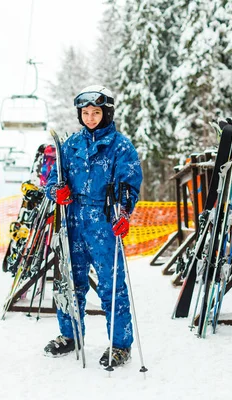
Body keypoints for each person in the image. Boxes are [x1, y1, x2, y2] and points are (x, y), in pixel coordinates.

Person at [43, 85, 143, 368]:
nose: (89, 117)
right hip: (73, 221)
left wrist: (123, 212)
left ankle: (120, 344)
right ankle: (70, 335)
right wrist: (56, 192)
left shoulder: (120, 146)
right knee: (69, 282)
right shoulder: (71, 145)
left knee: (112, 284)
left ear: (106, 113)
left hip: (103, 221)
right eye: (85, 113)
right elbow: (53, 180)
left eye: (95, 112)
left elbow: (129, 184)